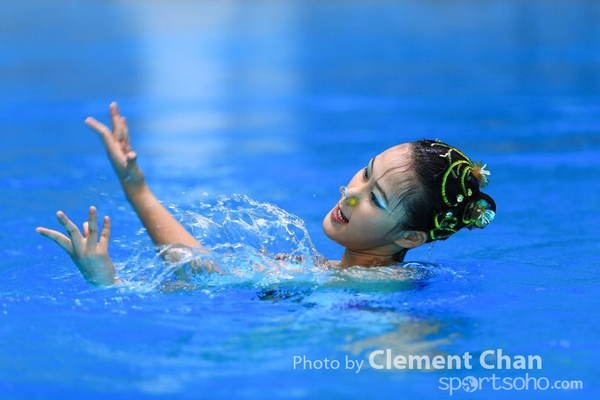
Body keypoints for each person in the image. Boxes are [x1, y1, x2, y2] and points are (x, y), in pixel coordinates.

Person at [36, 103, 496, 287]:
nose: (351, 195)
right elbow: (203, 269)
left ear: (412, 238)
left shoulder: (381, 283)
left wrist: (109, 288)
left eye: (375, 198)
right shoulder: (320, 268)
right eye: (363, 174)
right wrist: (136, 185)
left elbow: (208, 272)